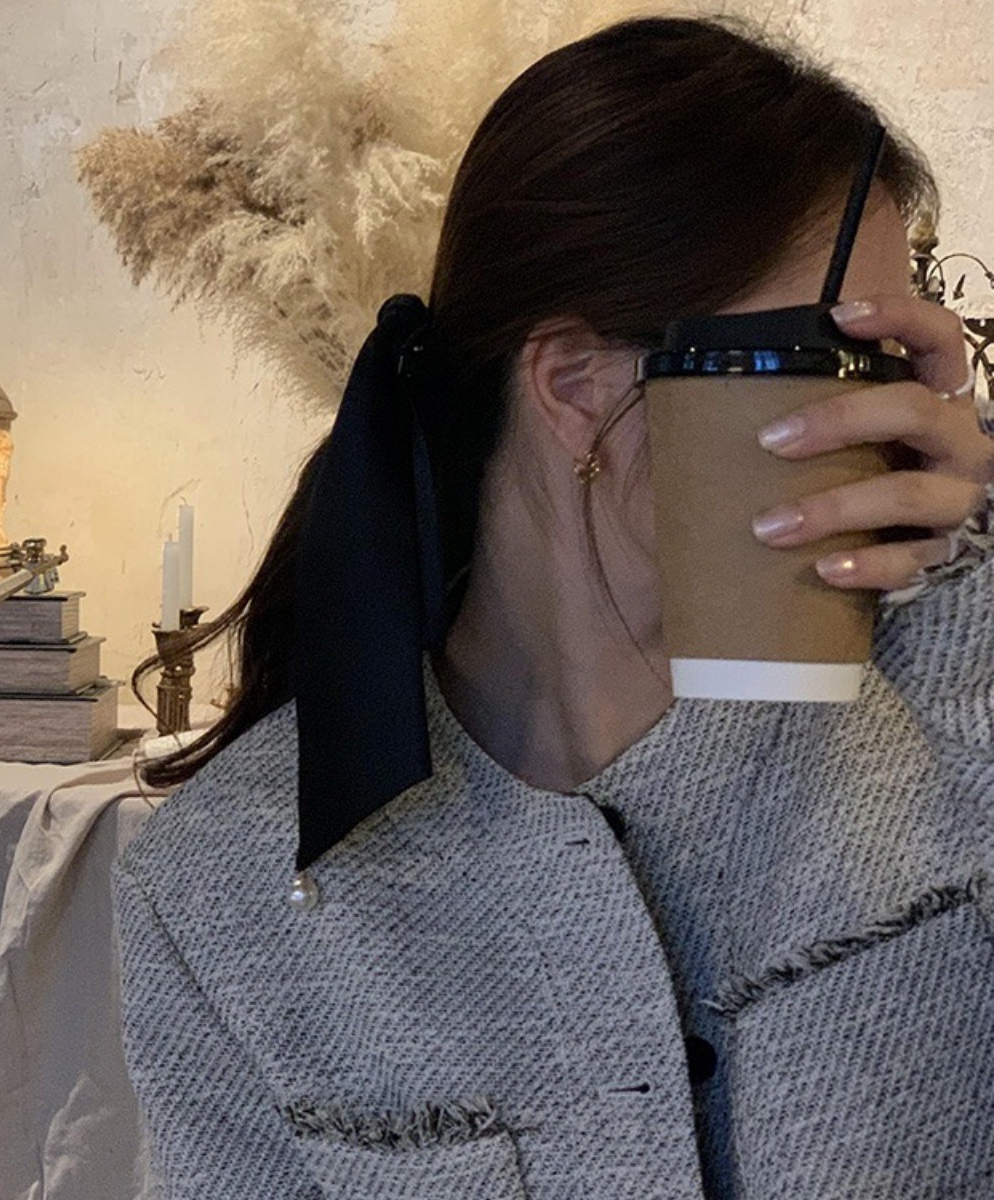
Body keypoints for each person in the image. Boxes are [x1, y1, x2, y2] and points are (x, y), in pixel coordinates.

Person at [114, 16, 994, 1200]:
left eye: (905, 364)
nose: (896, 415)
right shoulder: (226, 886)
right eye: (842, 357)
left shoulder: (954, 736)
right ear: (577, 383)